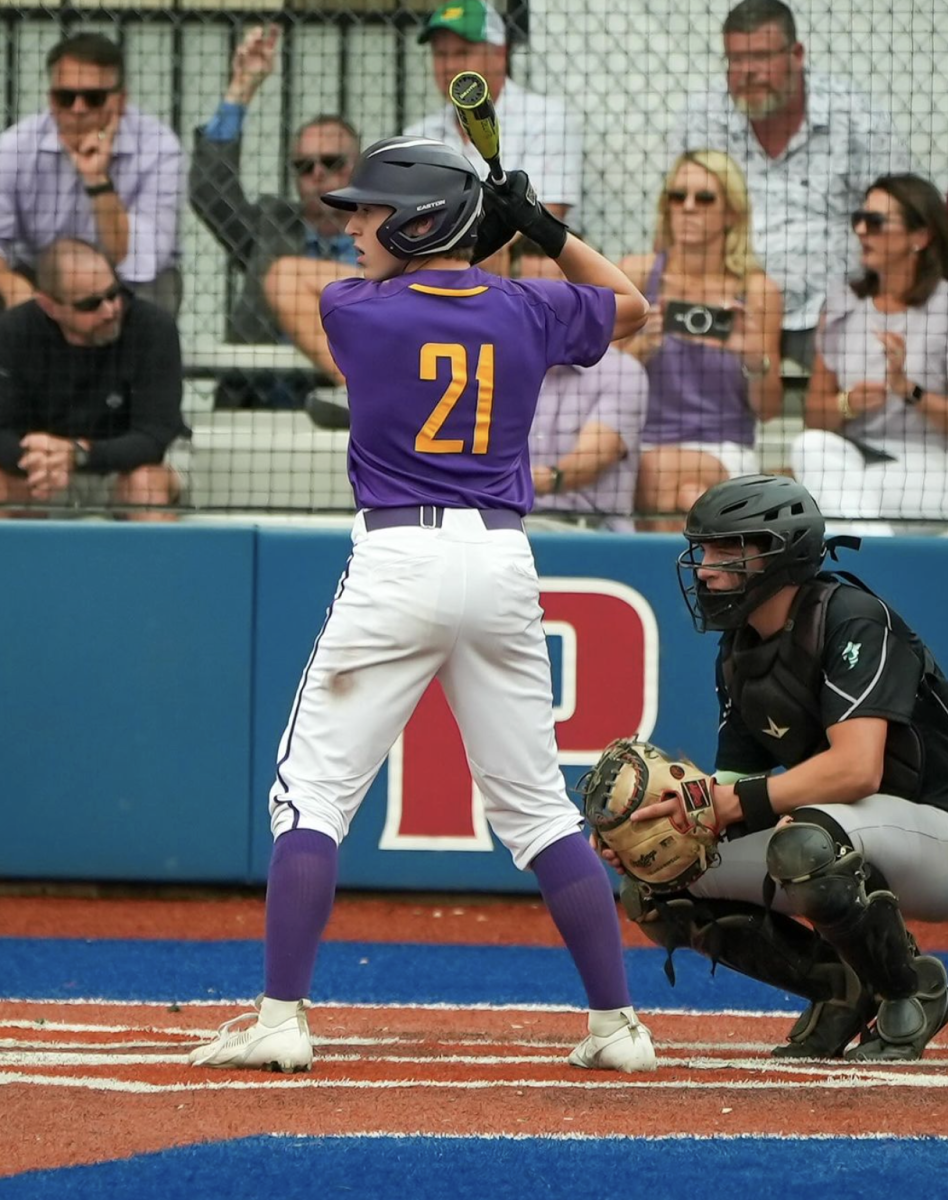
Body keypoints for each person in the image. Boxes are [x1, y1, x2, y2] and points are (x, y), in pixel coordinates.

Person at [189, 136, 656, 1074]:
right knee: (536, 811)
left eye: (366, 213)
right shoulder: (529, 304)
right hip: (502, 563)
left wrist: (482, 234)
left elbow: (409, 295)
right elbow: (633, 307)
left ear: (416, 221)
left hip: (398, 558)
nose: (351, 230)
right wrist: (542, 230)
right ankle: (617, 1026)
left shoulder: (354, 309)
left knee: (313, 794)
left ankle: (281, 1017)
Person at [605, 473, 948, 1062]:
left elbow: (858, 769)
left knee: (807, 845)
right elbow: (736, 786)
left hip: (934, 830)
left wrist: (733, 804)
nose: (705, 567)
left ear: (777, 554)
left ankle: (910, 987)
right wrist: (656, 822)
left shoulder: (853, 619)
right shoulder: (739, 650)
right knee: (657, 879)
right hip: (856, 830)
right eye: (703, 550)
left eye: (725, 550)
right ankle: (842, 987)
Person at [671, 0, 911, 367]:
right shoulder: (701, 121)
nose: (748, 72)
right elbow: (673, 217)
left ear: (797, 55)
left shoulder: (858, 120)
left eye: (762, 56)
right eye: (736, 60)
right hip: (728, 307)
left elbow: (904, 217)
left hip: (834, 311)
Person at [190, 23, 359, 410]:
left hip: (362, 414)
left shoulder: (389, 238)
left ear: (359, 168)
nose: (317, 173)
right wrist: (240, 90)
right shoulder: (270, 226)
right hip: (265, 406)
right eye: (303, 165)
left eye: (331, 162)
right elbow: (209, 194)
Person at [619, 150, 783, 528]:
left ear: (731, 214)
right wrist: (640, 348)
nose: (688, 207)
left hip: (725, 444)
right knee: (674, 485)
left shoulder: (757, 290)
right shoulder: (638, 274)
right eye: (678, 197)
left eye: (704, 198)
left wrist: (755, 358)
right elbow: (598, 372)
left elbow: (770, 410)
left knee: (686, 492)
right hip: (645, 441)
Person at [791, 174, 948, 523]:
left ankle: (861, 557)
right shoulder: (843, 303)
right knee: (809, 447)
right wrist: (847, 404)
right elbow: (814, 416)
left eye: (875, 222)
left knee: (836, 497)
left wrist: (909, 390)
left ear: (920, 236)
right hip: (854, 457)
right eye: (858, 220)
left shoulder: (944, 306)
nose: (861, 230)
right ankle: (870, 552)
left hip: (929, 465)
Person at [0, 238, 190, 520]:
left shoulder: (153, 327)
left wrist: (79, 454)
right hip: (45, 472)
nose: (109, 310)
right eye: (90, 304)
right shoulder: (13, 332)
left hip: (130, 465)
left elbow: (154, 436)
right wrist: (39, 461)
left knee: (145, 486)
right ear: (50, 306)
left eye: (114, 293)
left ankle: (157, 565)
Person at [0, 32, 184, 315]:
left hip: (121, 280)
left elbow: (143, 259)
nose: (78, 109)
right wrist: (11, 285)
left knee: (157, 290)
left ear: (120, 101)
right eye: (65, 97)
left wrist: (97, 181)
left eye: (93, 98)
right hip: (40, 274)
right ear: (51, 99)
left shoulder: (158, 148)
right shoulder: (14, 148)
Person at [512, 239, 649, 529]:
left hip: (591, 531)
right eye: (531, 290)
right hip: (515, 524)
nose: (544, 304)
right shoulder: (500, 361)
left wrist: (510, 482)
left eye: (556, 291)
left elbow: (593, 458)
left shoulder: (621, 370)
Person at [405, 0, 582, 223]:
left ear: (500, 54)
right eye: (440, 54)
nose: (449, 66)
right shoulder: (419, 134)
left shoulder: (547, 119)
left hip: (518, 254)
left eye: (462, 53)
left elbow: (544, 220)